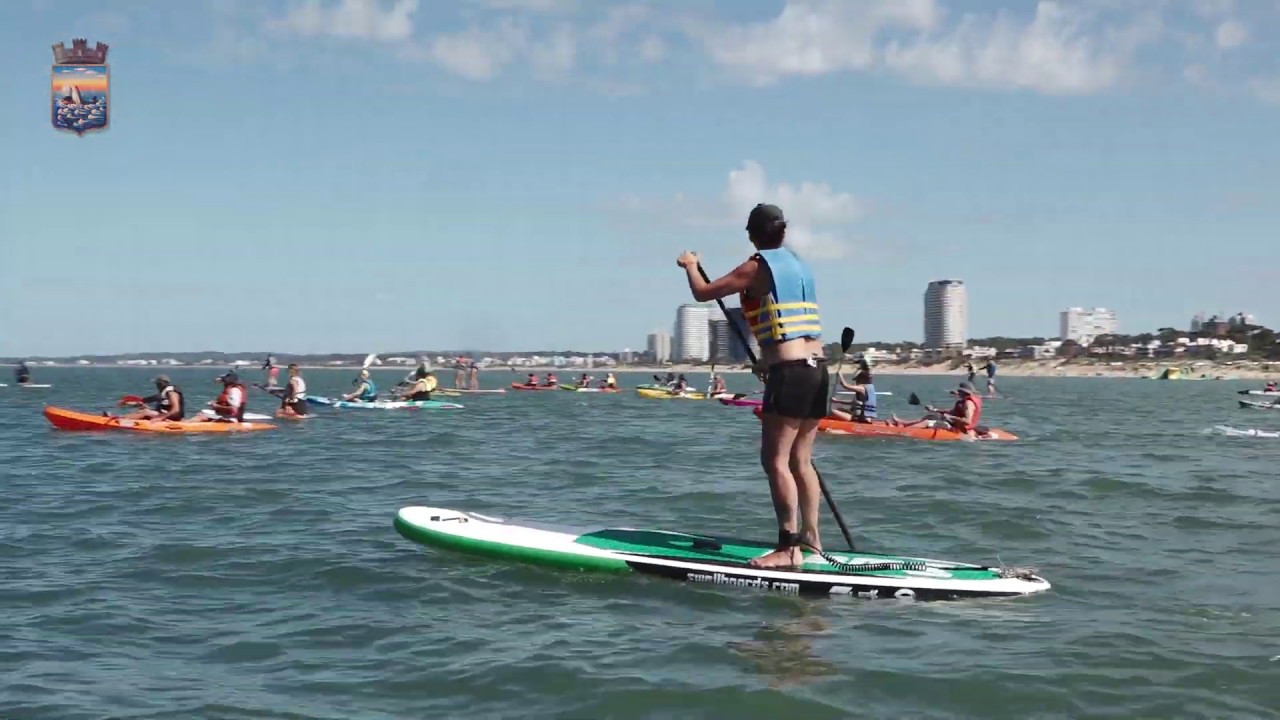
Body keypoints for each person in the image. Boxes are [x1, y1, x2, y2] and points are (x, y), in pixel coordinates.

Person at [676, 202, 827, 570]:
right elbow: (788, 325)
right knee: (801, 461)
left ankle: (788, 548)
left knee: (774, 460)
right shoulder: (800, 266)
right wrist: (767, 360)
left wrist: (691, 265)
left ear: (752, 234)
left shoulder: (756, 267)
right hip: (817, 369)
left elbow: (703, 293)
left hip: (791, 374)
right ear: (784, 232)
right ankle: (812, 540)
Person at [891, 381, 983, 437]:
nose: (958, 393)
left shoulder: (968, 403)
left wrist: (950, 418)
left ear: (964, 392)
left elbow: (967, 421)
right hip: (954, 423)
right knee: (931, 416)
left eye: (959, 391)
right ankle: (903, 423)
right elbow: (952, 412)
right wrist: (935, 410)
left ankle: (902, 432)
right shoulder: (965, 401)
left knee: (928, 422)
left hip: (960, 429)